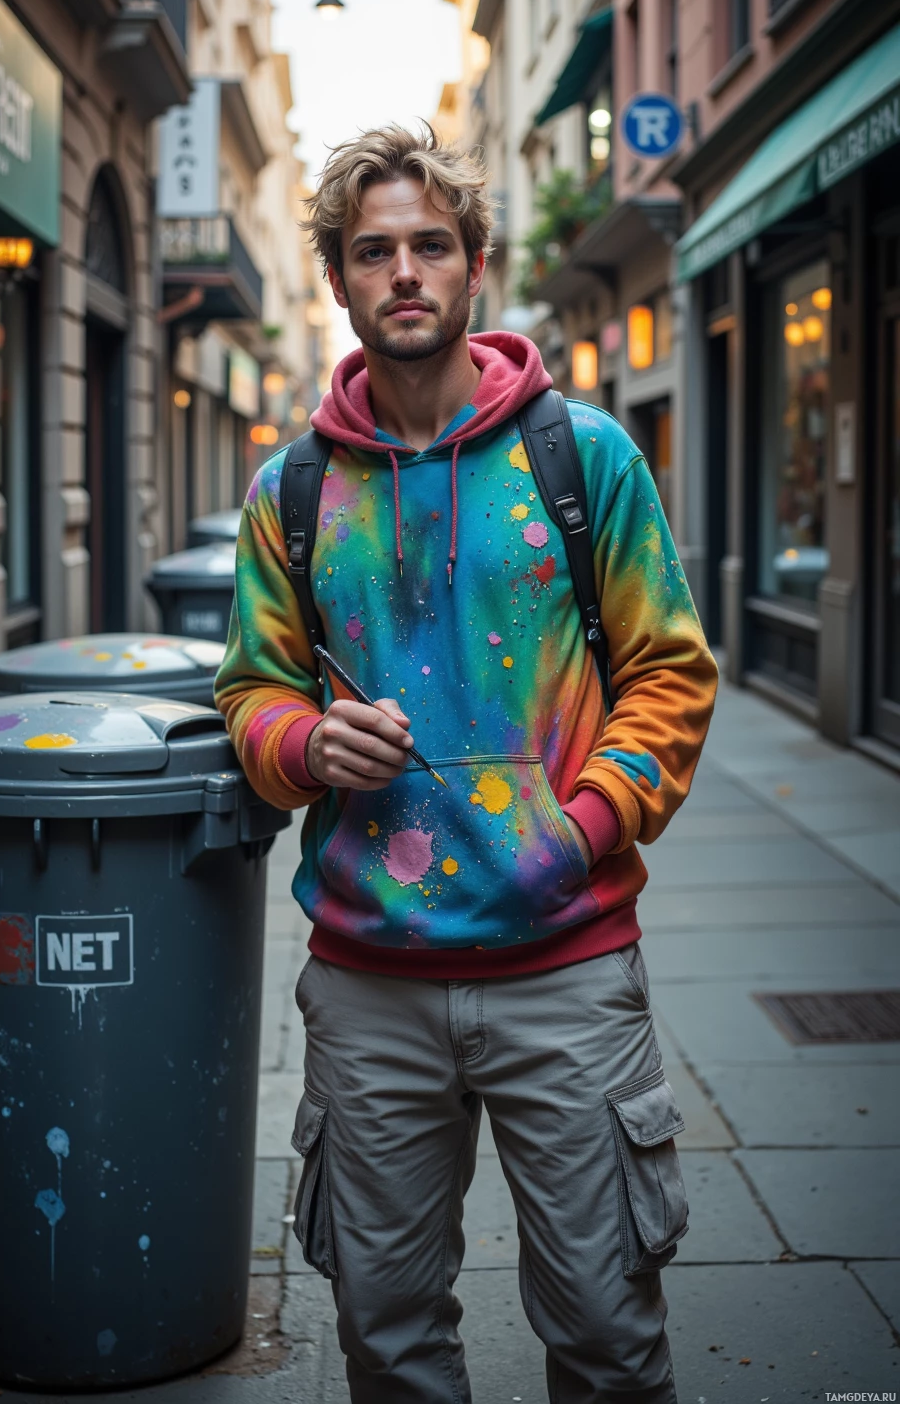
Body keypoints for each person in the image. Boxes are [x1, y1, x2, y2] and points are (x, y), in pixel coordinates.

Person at [215, 123, 718, 1404]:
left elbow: (669, 673)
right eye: (372, 249)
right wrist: (301, 741)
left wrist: (581, 829)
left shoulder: (581, 457)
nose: (403, 272)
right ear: (336, 276)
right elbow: (250, 690)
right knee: (389, 1350)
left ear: (473, 264)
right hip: (368, 985)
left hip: (568, 972)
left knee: (608, 1342)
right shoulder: (292, 490)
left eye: (429, 245)